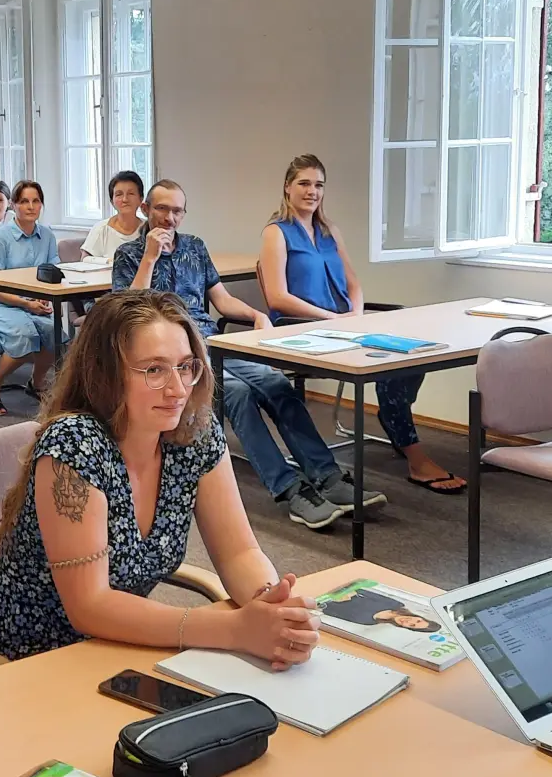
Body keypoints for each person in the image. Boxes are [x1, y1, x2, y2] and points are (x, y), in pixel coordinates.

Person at [0, 291, 321, 663]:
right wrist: (235, 629)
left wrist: (269, 604)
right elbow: (90, 605)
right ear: (106, 374)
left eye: (186, 366)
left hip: (122, 649)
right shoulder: (74, 444)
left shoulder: (194, 434)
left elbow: (240, 553)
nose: (177, 390)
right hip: (32, 665)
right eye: (154, 370)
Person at [113, 179, 384, 530]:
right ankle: (290, 490)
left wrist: (256, 315)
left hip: (211, 342)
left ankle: (326, 475)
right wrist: (150, 257)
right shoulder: (129, 254)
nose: (169, 217)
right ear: (146, 210)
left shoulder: (195, 247)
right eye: (161, 209)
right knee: (236, 393)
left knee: (274, 383)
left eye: (177, 210)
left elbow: (221, 299)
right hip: (170, 356)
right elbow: (126, 313)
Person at [260, 154, 464, 494]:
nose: (312, 191)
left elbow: (354, 283)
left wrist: (355, 313)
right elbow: (277, 297)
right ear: (287, 187)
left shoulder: (329, 231)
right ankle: (416, 457)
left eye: (319, 185)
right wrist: (333, 320)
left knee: (416, 351)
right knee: (390, 369)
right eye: (304, 183)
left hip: (344, 325)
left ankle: (394, 414)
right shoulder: (276, 233)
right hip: (300, 328)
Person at [0, 181, 59, 417]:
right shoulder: (1, 237)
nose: (31, 207)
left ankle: (37, 383)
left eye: (36, 201)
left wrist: (44, 300)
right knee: (25, 334)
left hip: (31, 304)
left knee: (55, 332)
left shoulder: (48, 236)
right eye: (24, 201)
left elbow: (50, 275)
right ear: (14, 205)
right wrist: (25, 303)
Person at [81, 171, 146, 260]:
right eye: (119, 194)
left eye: (131, 193)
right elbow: (84, 261)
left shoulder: (148, 228)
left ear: (140, 199)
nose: (125, 199)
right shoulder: (101, 229)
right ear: (112, 201)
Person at [319, 588, 441, 633]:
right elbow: (364, 591)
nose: (409, 621)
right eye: (418, 621)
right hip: (343, 590)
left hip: (326, 599)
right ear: (419, 616)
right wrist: (351, 592)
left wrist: (334, 602)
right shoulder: (396, 604)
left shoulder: (369, 622)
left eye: (412, 626)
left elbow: (331, 612)